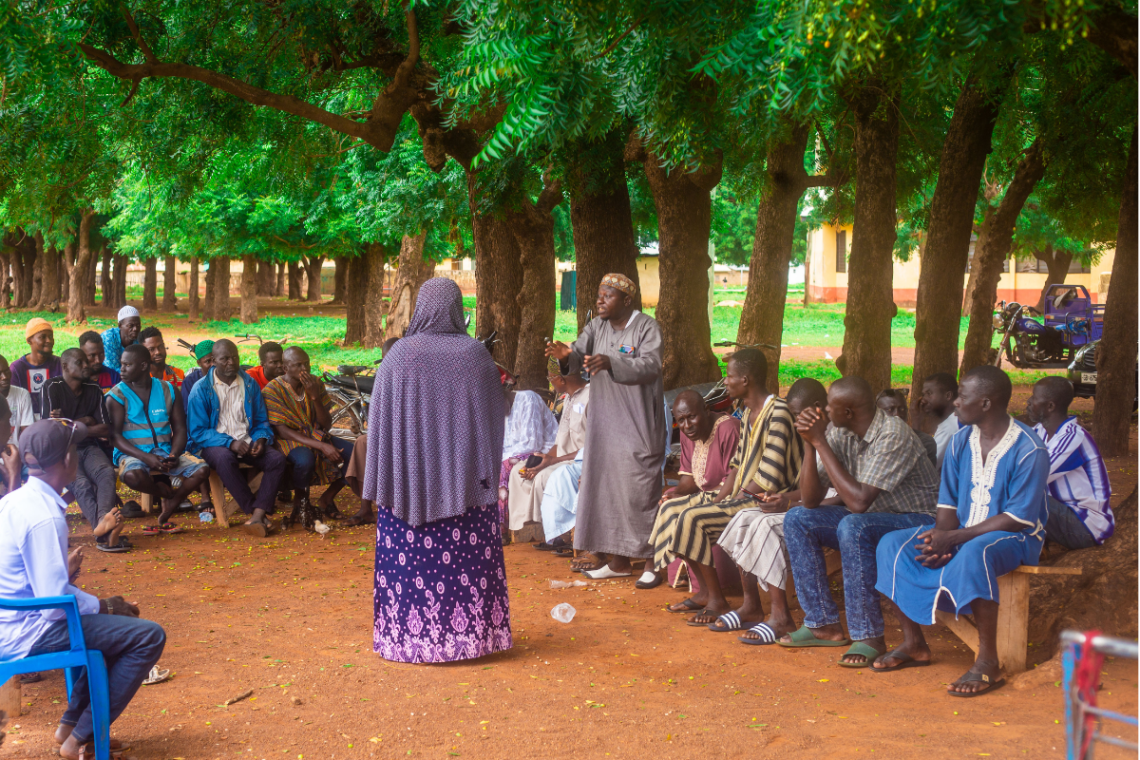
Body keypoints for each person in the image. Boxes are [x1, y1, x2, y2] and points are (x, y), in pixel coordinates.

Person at [874, 366, 1049, 695]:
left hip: (1017, 538)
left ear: (986, 403)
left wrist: (955, 539)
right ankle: (914, 643)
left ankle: (988, 661)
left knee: (975, 551)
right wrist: (940, 541)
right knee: (891, 544)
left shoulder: (1029, 448)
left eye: (962, 397)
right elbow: (947, 506)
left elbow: (1018, 517)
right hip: (963, 533)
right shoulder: (960, 441)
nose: (955, 402)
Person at [362, 278, 511, 663]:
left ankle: (404, 640)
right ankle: (471, 640)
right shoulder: (475, 355)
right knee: (467, 568)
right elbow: (493, 420)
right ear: (457, 308)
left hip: (406, 488)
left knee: (408, 569)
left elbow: (378, 423)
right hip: (466, 488)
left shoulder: (399, 355)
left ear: (421, 308)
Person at [0, 418, 166, 760]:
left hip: (13, 620)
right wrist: (105, 606)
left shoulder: (17, 501)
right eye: (75, 449)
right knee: (148, 636)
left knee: (118, 629)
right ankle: (79, 739)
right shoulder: (45, 517)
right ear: (66, 460)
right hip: (28, 632)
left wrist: (101, 604)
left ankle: (72, 727)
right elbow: (52, 606)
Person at [778, 376, 939, 667]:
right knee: (799, 517)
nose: (825, 410)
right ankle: (822, 624)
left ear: (848, 412)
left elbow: (859, 503)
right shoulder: (842, 433)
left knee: (854, 525)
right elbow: (811, 500)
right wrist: (811, 445)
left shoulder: (893, 434)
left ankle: (868, 636)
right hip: (873, 518)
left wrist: (820, 441)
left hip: (918, 521)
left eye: (830, 406)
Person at [650, 349, 801, 620]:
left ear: (745, 380)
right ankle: (706, 593)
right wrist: (720, 500)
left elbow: (768, 478)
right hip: (743, 496)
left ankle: (717, 600)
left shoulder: (778, 413)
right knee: (671, 511)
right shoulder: (749, 413)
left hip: (765, 501)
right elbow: (737, 465)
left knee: (692, 517)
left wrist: (730, 500)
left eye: (729, 376)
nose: (725, 382)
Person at [545, 273, 666, 579]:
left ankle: (649, 560)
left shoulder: (647, 327)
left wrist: (613, 362)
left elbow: (651, 365)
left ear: (627, 300)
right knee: (605, 490)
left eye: (608, 296)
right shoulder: (596, 327)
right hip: (604, 427)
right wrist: (565, 357)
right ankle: (618, 562)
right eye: (599, 295)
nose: (600, 300)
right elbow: (577, 356)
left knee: (638, 491)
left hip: (637, 426)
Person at [716, 377, 828, 644]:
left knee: (765, 525)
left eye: (798, 415)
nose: (795, 422)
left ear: (817, 408)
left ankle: (781, 616)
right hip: (811, 504)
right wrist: (783, 498)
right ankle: (751, 604)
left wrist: (789, 504)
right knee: (744, 517)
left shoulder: (830, 436)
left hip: (829, 510)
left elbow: (833, 496)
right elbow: (811, 490)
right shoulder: (810, 436)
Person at [108, 344, 213, 535]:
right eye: (121, 364)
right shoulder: (116, 395)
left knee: (202, 469)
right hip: (132, 454)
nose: (121, 369)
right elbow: (114, 437)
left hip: (165, 451)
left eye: (127, 365)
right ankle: (165, 493)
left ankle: (173, 501)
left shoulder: (168, 390)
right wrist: (146, 458)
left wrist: (174, 454)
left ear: (143, 366)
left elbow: (180, 429)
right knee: (132, 476)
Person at [642, 388, 740, 588]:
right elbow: (689, 478)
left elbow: (734, 482)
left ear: (706, 410)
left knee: (682, 512)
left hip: (728, 496)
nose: (687, 426)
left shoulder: (729, 429)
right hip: (703, 494)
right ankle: (678, 571)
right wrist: (677, 494)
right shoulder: (688, 434)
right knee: (668, 499)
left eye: (692, 417)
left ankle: (703, 587)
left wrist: (699, 500)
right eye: (681, 420)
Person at [187, 340, 285, 536]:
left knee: (277, 459)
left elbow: (261, 420)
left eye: (234, 357)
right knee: (224, 458)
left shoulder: (249, 384)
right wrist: (229, 443)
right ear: (214, 361)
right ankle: (254, 512)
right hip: (213, 444)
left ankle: (258, 515)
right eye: (225, 359)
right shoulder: (201, 389)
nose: (231, 362)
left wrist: (261, 439)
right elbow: (198, 432)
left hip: (246, 440)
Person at [40, 349, 124, 552]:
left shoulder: (93, 389)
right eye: (80, 362)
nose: (87, 365)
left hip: (88, 447)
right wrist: (86, 421)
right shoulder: (52, 387)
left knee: (105, 473)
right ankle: (103, 531)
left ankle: (103, 523)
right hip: (62, 452)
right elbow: (50, 430)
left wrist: (69, 424)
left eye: (86, 361)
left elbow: (105, 429)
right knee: (82, 483)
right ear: (65, 366)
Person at [263, 346, 354, 523]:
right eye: (298, 365)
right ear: (285, 368)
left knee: (353, 454)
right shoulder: (272, 390)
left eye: (307, 364)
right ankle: (300, 502)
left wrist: (315, 398)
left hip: (315, 434)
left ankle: (327, 498)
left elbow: (326, 424)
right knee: (305, 459)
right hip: (288, 439)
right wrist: (322, 446)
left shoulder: (315, 384)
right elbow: (283, 431)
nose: (304, 369)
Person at [1025, 376, 1112, 549]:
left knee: (1020, 493)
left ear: (1050, 406)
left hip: (1086, 525)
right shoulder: (1040, 431)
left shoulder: (1072, 437)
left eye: (1034, 397)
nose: (1029, 401)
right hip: (1062, 512)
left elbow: (1030, 476)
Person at [506, 359, 590, 536]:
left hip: (582, 461)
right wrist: (541, 462)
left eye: (550, 378)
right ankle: (527, 528)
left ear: (561, 379)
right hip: (561, 459)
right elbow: (559, 443)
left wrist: (552, 461)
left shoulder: (591, 397)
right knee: (518, 472)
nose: (550, 381)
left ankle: (556, 533)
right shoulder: (568, 400)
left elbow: (592, 447)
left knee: (545, 477)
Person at [342, 336, 401, 528]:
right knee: (362, 443)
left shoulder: (415, 376)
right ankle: (365, 508)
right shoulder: (384, 379)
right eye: (385, 360)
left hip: (412, 437)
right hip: (390, 435)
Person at [498, 384, 558, 527]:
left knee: (503, 469)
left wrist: (501, 459)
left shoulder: (528, 398)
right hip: (514, 455)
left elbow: (532, 443)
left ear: (502, 394)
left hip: (544, 451)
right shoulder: (499, 412)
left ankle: (504, 525)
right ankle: (494, 525)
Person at [12, 318, 62, 420]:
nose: (49, 340)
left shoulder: (60, 364)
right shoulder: (17, 369)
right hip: (25, 420)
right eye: (42, 337)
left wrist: (63, 411)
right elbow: (13, 400)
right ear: (29, 340)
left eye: (51, 336)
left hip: (55, 420)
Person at [876, 388, 937, 466]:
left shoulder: (925, 442)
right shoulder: (869, 441)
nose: (897, 414)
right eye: (890, 409)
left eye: (902, 409)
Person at [920, 372, 959, 467]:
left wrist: (917, 423)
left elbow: (926, 467)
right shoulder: (956, 419)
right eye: (924, 394)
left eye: (929, 394)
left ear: (948, 396)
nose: (924, 399)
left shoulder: (948, 428)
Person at [0, 354, 34, 446]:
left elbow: (27, 433)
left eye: (7, 371)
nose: (5, 377)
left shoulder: (22, 394)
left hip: (17, 451)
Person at [101, 305, 142, 372]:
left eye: (138, 325)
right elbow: (112, 370)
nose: (135, 329)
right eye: (130, 326)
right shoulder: (109, 338)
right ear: (120, 326)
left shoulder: (140, 339)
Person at [180, 340, 215, 413]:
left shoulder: (226, 377)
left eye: (215, 360)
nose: (213, 364)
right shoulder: (190, 382)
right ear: (199, 363)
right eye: (208, 361)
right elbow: (188, 410)